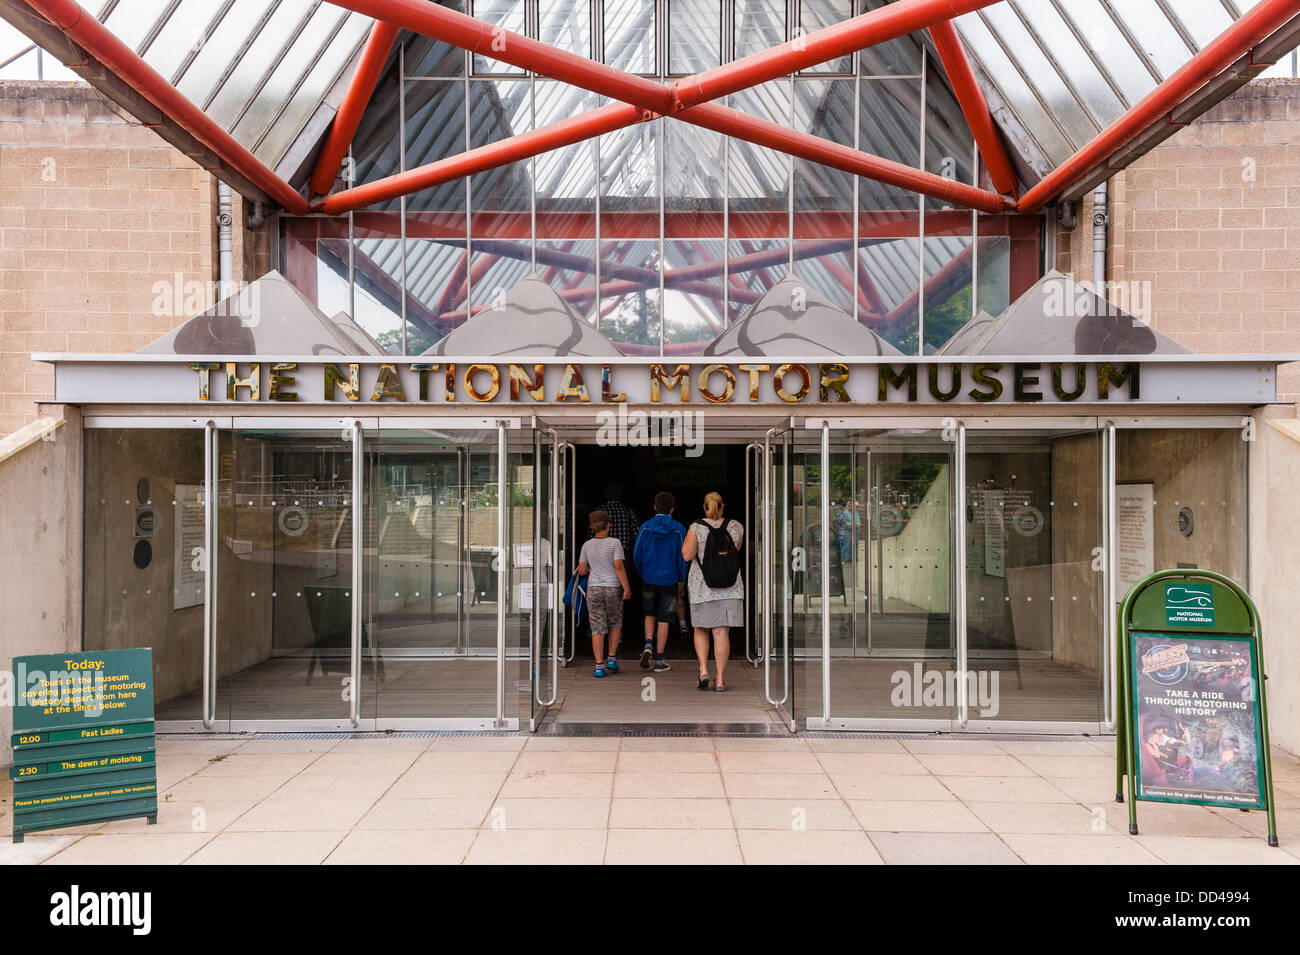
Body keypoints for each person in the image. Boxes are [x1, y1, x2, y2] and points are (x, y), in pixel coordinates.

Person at [682, 491, 743, 692]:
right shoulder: (735, 526)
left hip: (702, 588)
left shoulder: (696, 527)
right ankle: (720, 679)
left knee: (701, 628)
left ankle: (703, 670)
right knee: (721, 631)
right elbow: (736, 550)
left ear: (705, 508)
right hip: (730, 588)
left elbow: (687, 555)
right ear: (722, 506)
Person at [632, 490, 687, 672]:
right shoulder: (679, 529)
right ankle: (659, 660)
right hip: (670, 579)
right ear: (672, 509)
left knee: (649, 613)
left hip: (649, 577)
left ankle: (648, 644)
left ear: (655, 507)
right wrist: (681, 576)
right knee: (665, 618)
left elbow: (636, 554)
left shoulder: (646, 527)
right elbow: (684, 556)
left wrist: (643, 572)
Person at [577, 510, 631, 678]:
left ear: (592, 527)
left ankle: (598, 666)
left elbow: (582, 570)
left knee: (597, 627)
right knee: (615, 623)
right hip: (612, 588)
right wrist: (627, 588)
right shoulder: (615, 543)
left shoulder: (587, 545)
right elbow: (619, 566)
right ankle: (611, 659)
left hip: (593, 588)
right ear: (608, 525)